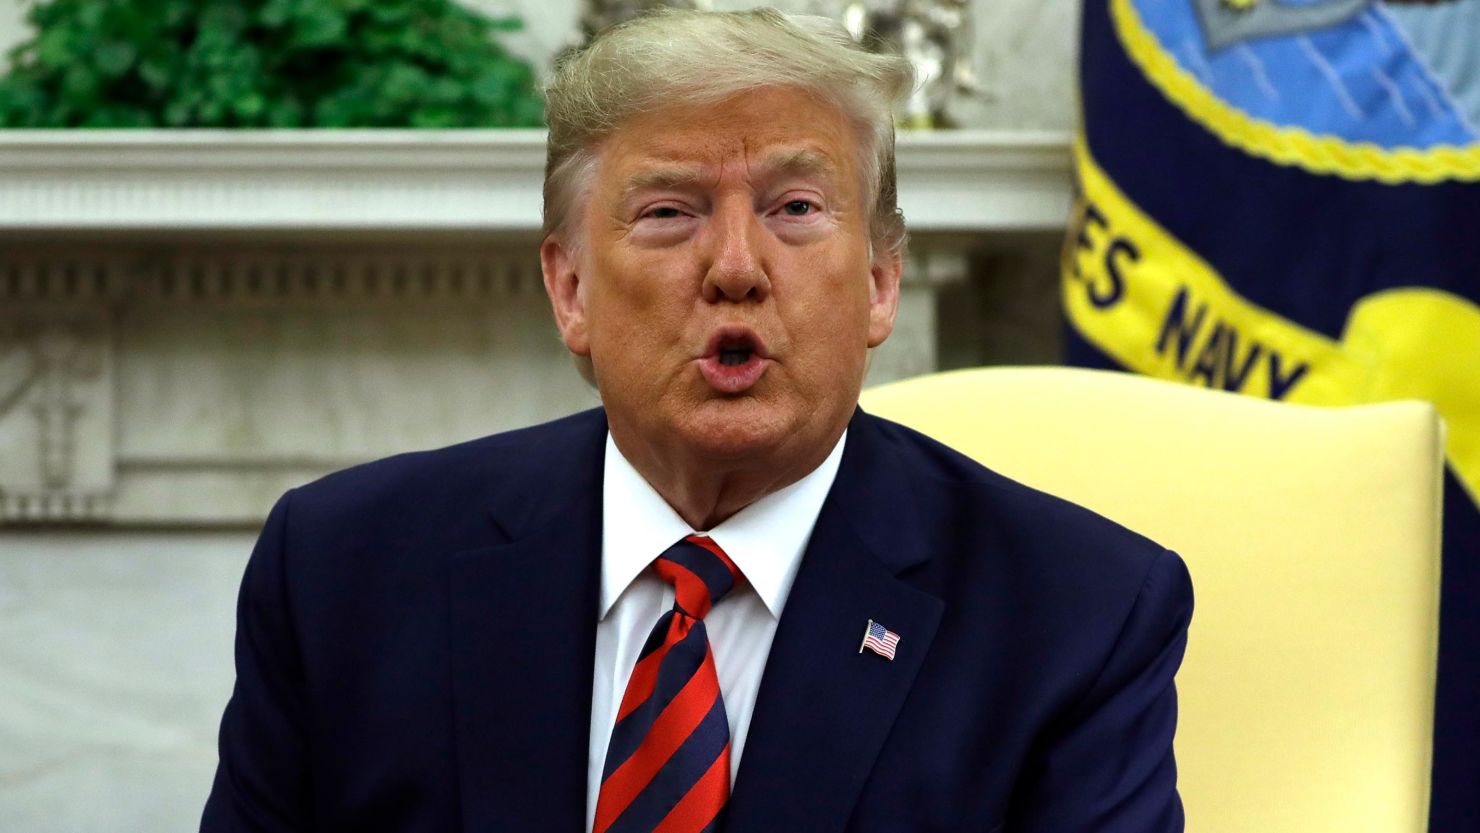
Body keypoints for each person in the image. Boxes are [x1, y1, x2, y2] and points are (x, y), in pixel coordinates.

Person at [200, 9, 1193, 833]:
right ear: (571, 288)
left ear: (882, 283)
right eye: (669, 211)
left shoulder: (1075, 616)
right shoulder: (344, 571)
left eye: (795, 208)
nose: (734, 266)